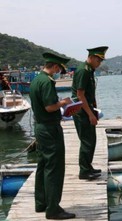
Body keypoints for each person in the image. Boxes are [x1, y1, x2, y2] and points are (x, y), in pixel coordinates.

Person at [29, 52, 76, 219]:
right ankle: (53, 209)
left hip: (40, 128)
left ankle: (41, 203)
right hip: (50, 129)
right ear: (55, 66)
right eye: (59, 69)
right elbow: (50, 107)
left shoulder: (36, 80)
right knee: (54, 168)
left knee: (42, 166)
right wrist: (64, 102)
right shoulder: (47, 82)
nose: (58, 72)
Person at [71, 46, 108, 180]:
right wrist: (90, 114)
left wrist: (95, 109)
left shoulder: (89, 70)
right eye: (98, 61)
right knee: (87, 141)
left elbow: (90, 93)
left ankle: (88, 166)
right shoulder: (83, 71)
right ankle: (84, 171)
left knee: (91, 140)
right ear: (91, 58)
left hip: (88, 108)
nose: (99, 64)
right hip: (81, 110)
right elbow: (80, 94)